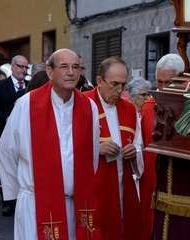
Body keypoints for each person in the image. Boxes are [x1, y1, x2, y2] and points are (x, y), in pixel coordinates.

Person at [0, 48, 102, 239]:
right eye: (64, 66)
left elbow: (92, 153)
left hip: (75, 204)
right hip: (36, 204)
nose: (71, 72)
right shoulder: (26, 104)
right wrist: (15, 195)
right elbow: (6, 150)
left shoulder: (89, 107)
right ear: (49, 71)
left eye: (76, 67)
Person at [84, 56, 144, 239]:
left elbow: (139, 143)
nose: (119, 91)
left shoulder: (129, 109)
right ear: (99, 81)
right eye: (114, 84)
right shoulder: (82, 104)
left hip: (122, 184)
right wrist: (97, 149)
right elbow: (66, 146)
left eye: (123, 85)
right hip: (94, 186)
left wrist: (135, 152)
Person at [139, 53, 185, 239]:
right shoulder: (148, 107)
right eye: (159, 82)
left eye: (169, 82)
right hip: (151, 182)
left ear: (182, 78)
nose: (163, 88)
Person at [0, 55, 29, 216]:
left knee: (22, 168)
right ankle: (8, 202)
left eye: (25, 67)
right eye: (20, 66)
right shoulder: (0, 86)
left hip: (24, 135)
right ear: (12, 67)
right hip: (3, 133)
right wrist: (6, 119)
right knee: (7, 168)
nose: (23, 70)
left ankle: (21, 200)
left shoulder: (29, 86)